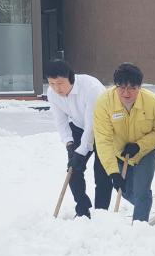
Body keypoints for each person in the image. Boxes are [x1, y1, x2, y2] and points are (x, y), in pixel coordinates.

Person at [93, 63, 155, 222]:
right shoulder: (104, 103)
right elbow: (103, 140)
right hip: (119, 153)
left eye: (132, 88)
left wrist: (140, 145)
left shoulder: (153, 103)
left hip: (145, 152)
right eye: (121, 88)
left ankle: (139, 228)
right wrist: (113, 172)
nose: (126, 93)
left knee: (141, 191)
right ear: (115, 87)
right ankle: (143, 202)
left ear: (139, 87)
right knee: (125, 190)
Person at [46, 59, 112, 218]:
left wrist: (82, 150)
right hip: (78, 126)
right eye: (52, 83)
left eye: (60, 83)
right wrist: (69, 143)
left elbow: (92, 125)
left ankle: (101, 213)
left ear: (71, 78)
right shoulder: (52, 93)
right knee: (73, 169)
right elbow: (60, 121)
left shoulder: (91, 88)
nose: (56, 88)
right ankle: (83, 209)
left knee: (101, 173)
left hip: (104, 129)